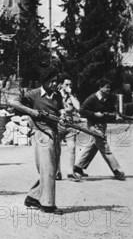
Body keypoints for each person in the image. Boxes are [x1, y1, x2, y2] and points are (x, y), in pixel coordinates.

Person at [8, 66, 63, 213]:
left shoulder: (57, 95)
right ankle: (48, 204)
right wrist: (32, 111)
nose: (54, 84)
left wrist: (64, 116)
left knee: (50, 168)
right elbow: (13, 102)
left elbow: (61, 110)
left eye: (56, 81)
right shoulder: (34, 94)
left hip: (54, 132)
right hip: (41, 133)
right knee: (49, 169)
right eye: (51, 81)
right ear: (44, 81)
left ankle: (33, 197)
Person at [73, 78, 126, 181]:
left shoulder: (108, 98)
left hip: (102, 125)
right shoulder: (92, 98)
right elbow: (82, 111)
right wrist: (94, 114)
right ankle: (116, 171)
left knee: (94, 146)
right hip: (93, 125)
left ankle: (78, 167)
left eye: (109, 87)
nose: (108, 89)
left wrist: (116, 115)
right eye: (106, 87)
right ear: (100, 87)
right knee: (104, 146)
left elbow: (112, 110)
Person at [56, 75, 81, 181]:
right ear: (61, 85)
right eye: (66, 84)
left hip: (70, 125)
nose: (68, 86)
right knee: (56, 149)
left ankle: (70, 172)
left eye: (70, 84)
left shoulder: (72, 96)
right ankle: (57, 172)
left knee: (72, 148)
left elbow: (78, 107)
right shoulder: (56, 95)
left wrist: (70, 94)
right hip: (58, 124)